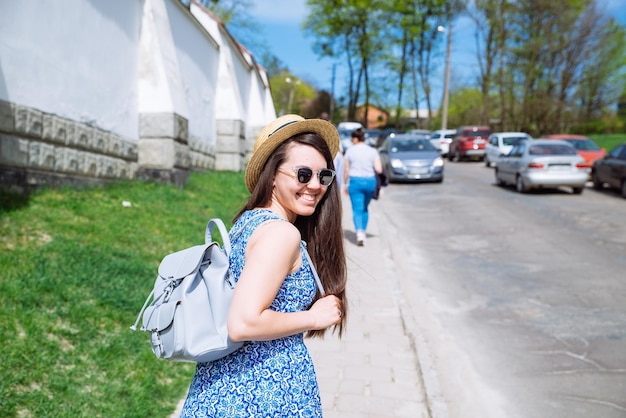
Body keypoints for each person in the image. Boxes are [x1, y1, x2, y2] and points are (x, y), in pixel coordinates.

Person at [181, 114, 348, 417]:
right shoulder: (281, 233)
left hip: (222, 386)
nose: (315, 185)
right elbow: (243, 322)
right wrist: (311, 318)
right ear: (272, 175)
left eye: (324, 176)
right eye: (303, 174)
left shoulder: (249, 221)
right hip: (263, 392)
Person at [342, 128, 383, 246]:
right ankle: (363, 231)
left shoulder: (350, 151)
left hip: (355, 182)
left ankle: (360, 233)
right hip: (370, 182)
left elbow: (346, 170)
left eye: (352, 139)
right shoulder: (372, 151)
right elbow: (379, 169)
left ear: (355, 138)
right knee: (365, 208)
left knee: (357, 208)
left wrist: (345, 184)